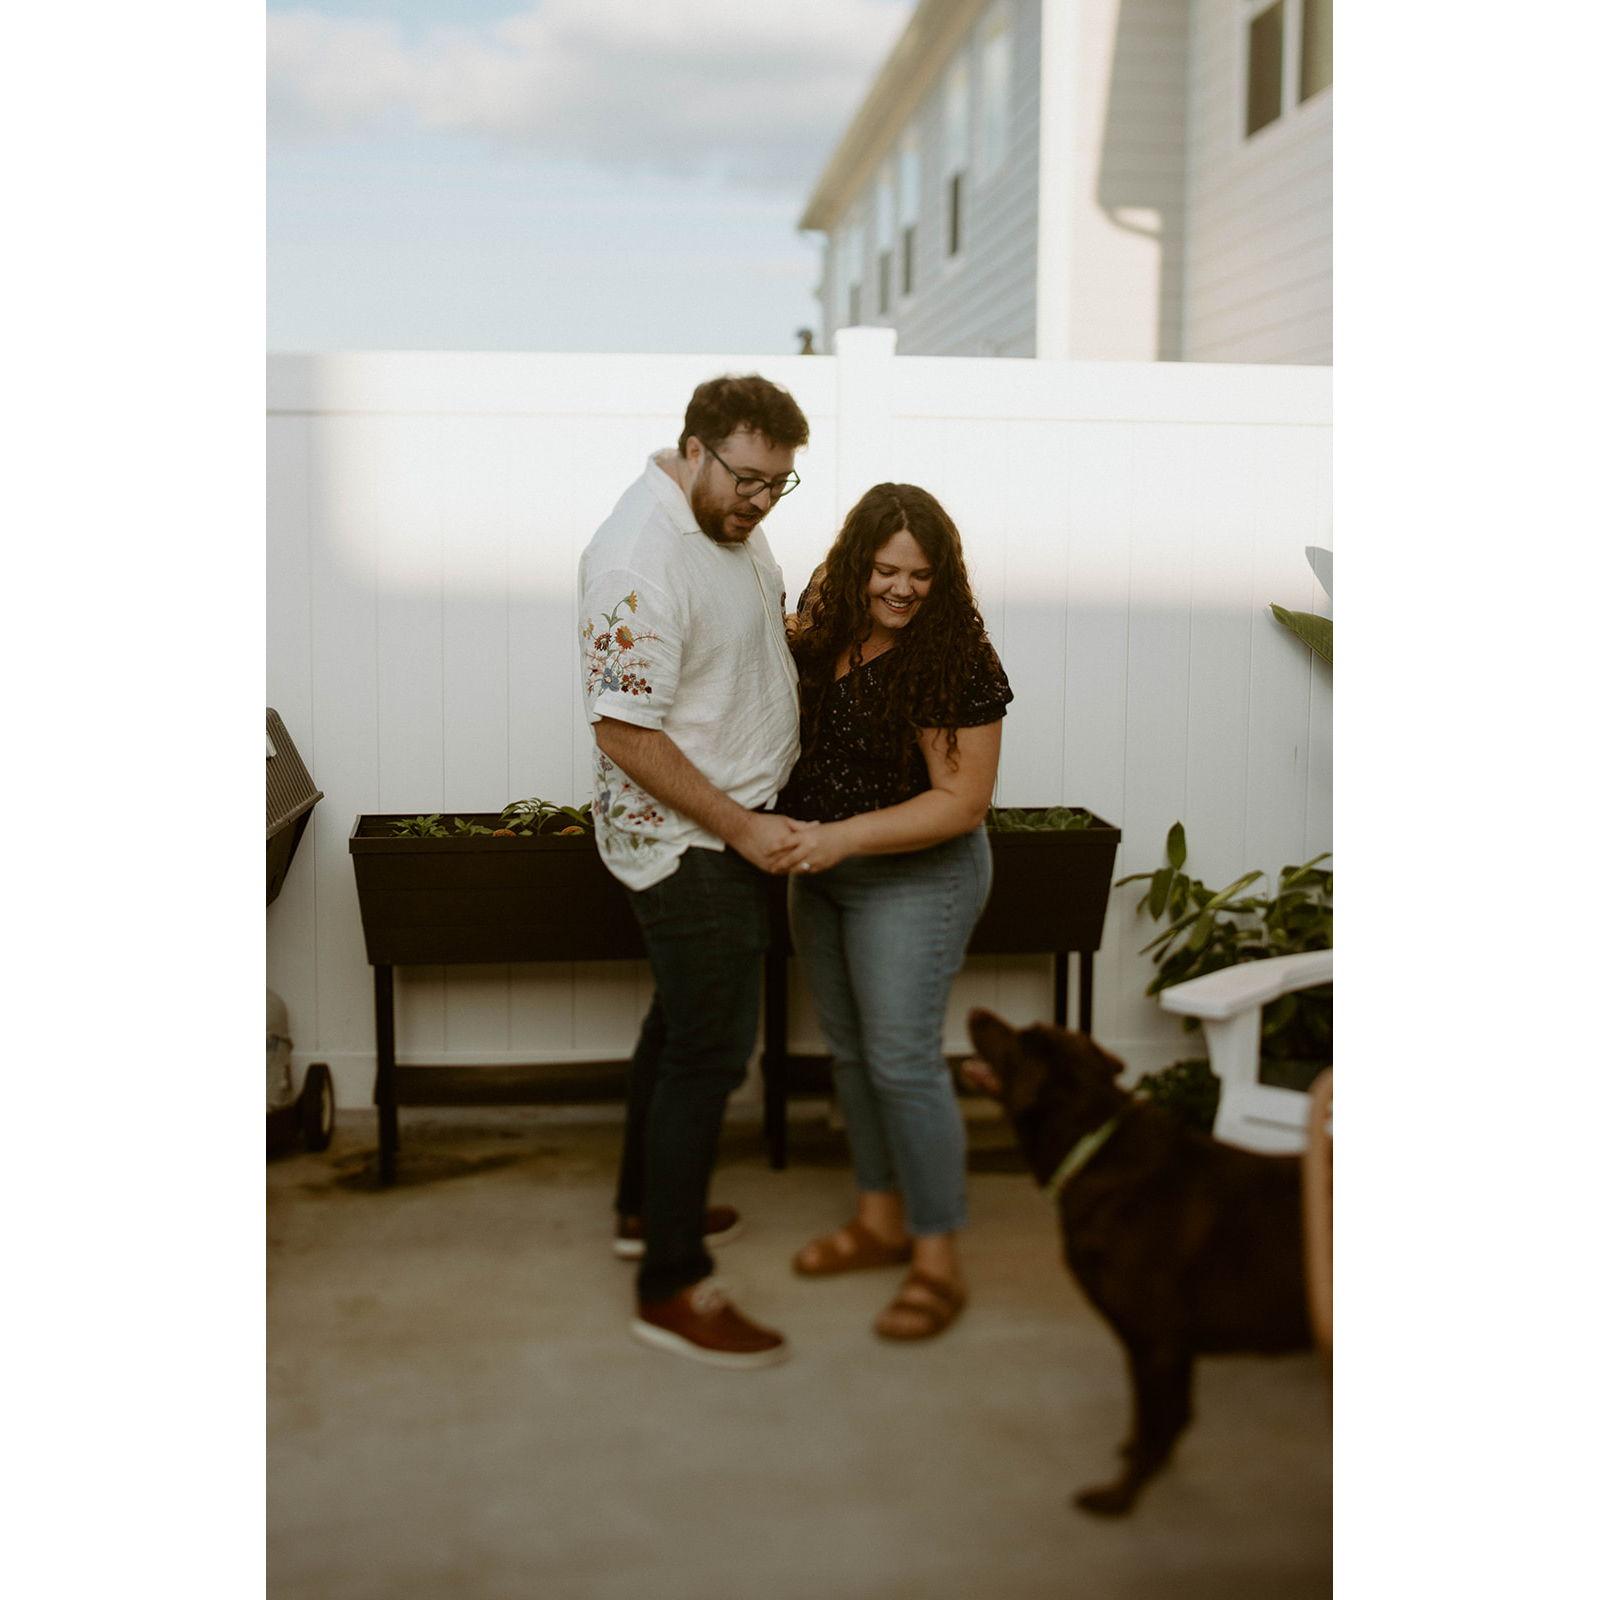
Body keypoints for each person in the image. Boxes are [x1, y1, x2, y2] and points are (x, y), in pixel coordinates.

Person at [577, 373, 810, 1369]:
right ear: (692, 446)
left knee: (677, 1028)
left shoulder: (721, 524)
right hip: (693, 839)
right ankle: (668, 1285)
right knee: (711, 1054)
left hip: (727, 826)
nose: (759, 501)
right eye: (747, 479)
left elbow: (732, 649)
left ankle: (643, 1208)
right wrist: (745, 829)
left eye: (778, 486)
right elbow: (626, 732)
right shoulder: (640, 554)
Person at [773, 484, 1012, 1341]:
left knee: (904, 1061)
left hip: (920, 878)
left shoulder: (956, 659)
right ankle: (879, 1222)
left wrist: (842, 839)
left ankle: (937, 1260)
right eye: (885, 570)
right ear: (855, 565)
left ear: (942, 578)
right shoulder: (826, 629)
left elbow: (962, 801)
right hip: (826, 873)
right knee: (851, 1056)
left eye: (920, 575)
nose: (902, 590)